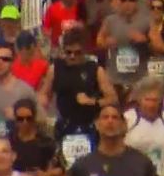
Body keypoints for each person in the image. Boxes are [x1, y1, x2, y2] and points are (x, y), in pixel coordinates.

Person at [38, 28, 118, 165]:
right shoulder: (55, 68)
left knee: (90, 166)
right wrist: (42, 109)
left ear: (85, 51)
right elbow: (44, 94)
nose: (72, 56)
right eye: (68, 52)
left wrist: (92, 101)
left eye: (77, 53)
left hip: (89, 126)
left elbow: (113, 99)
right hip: (64, 124)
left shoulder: (95, 69)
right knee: (63, 166)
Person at [67, 103, 162, 176]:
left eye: (115, 117)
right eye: (105, 117)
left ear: (124, 125)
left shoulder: (142, 164)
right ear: (96, 124)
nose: (110, 121)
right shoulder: (81, 167)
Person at [96, 0, 150, 107]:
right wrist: (106, 42)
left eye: (131, 0)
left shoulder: (147, 21)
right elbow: (99, 41)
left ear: (137, 2)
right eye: (124, 0)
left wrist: (144, 40)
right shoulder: (110, 20)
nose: (127, 4)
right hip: (115, 78)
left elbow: (156, 46)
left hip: (138, 78)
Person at [0, 41, 40, 141]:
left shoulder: (25, 90)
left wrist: (18, 117)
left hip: (17, 147)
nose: (0, 62)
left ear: (12, 62)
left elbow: (39, 121)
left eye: (5, 59)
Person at [123, 76, 164, 176]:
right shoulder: (127, 118)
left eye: (155, 100)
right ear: (139, 99)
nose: (151, 104)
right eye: (147, 100)